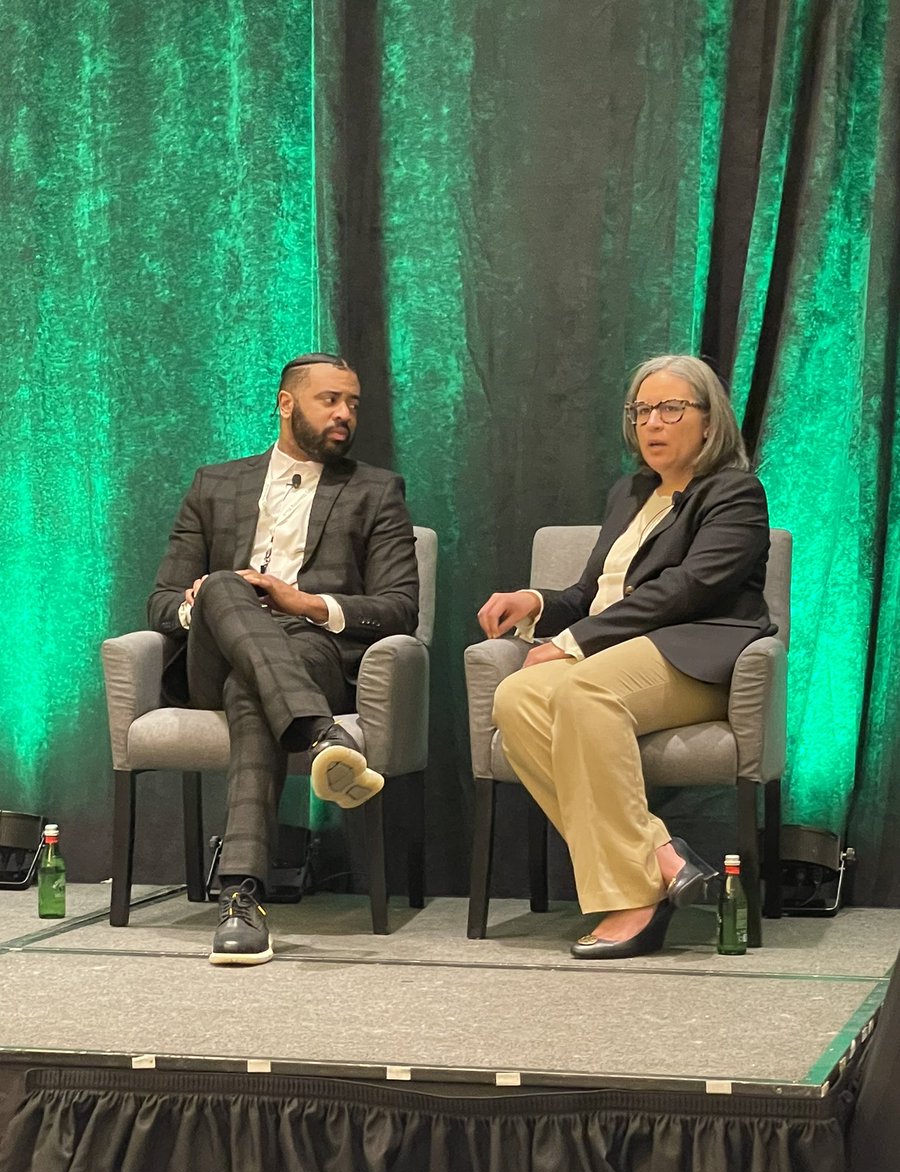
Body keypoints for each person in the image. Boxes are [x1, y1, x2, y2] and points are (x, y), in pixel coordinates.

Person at [477, 354, 773, 960]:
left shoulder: (734, 493)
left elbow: (687, 589)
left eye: (671, 409)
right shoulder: (630, 493)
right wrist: (536, 602)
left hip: (695, 655)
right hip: (618, 651)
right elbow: (594, 592)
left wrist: (572, 642)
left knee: (582, 688)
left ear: (709, 419)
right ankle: (659, 857)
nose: (652, 423)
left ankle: (634, 900)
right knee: (516, 696)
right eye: (641, 410)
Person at [148, 353, 419, 967]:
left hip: (312, 651)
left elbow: (400, 608)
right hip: (214, 656)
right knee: (224, 585)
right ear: (287, 404)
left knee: (253, 692)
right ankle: (322, 735)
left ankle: (240, 899)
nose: (345, 414)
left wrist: (305, 602)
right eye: (330, 400)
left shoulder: (376, 490)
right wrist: (202, 602)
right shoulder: (214, 484)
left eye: (353, 403)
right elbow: (160, 601)